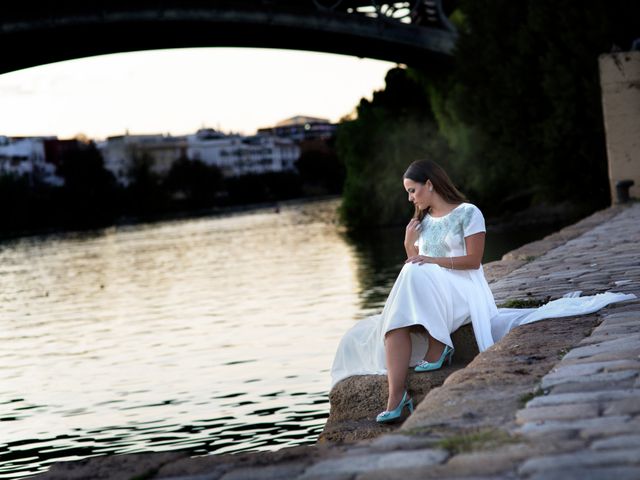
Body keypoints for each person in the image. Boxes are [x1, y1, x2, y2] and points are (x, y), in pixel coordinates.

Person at [330, 159, 635, 424]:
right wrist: (409, 245)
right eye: (407, 192)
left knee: (413, 272)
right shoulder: (419, 223)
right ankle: (396, 399)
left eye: (413, 190)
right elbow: (415, 264)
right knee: (391, 315)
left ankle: (439, 345)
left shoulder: (468, 213)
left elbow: (473, 261)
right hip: (433, 293)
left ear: (430, 185)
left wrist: (427, 259)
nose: (410, 198)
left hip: (465, 288)